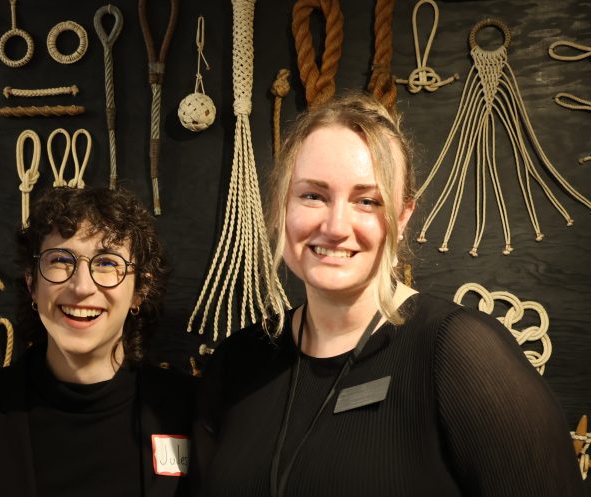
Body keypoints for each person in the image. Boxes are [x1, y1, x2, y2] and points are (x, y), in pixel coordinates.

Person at [193, 92, 583, 496]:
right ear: (280, 203)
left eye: (367, 201)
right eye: (313, 195)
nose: (336, 226)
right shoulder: (238, 361)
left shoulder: (458, 353)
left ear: (402, 218)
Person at [0, 186, 197, 497]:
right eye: (60, 260)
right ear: (32, 283)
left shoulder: (190, 411)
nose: (82, 286)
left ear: (140, 290)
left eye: (108, 263)